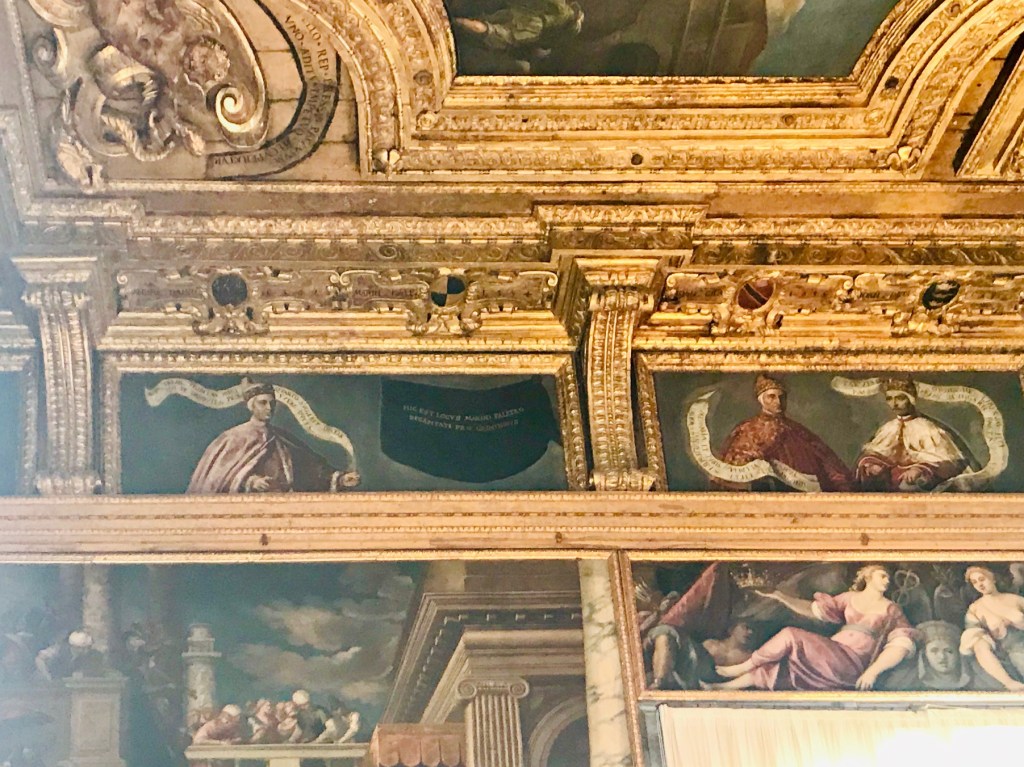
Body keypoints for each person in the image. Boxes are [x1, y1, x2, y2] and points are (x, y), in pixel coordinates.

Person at [708, 565, 917, 691]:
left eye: (888, 577)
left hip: (852, 663)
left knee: (790, 635)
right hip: (832, 655)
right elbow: (813, 610)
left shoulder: (891, 609)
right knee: (778, 667)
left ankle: (744, 666)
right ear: (868, 577)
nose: (887, 580)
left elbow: (900, 645)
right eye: (882, 575)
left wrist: (872, 672)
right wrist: (780, 596)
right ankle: (723, 688)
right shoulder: (849, 598)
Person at [188, 381, 359, 493]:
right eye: (262, 403)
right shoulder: (233, 438)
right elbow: (216, 480)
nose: (269, 408)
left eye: (272, 403)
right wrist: (250, 482)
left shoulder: (282, 439)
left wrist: (340, 479)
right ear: (251, 406)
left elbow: (310, 470)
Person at [713, 374, 854, 491]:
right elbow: (732, 473)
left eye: (782, 397)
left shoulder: (798, 430)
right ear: (761, 400)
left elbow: (828, 463)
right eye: (771, 397)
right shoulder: (747, 429)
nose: (778, 402)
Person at [855, 379, 971, 492]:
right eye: (889, 399)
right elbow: (873, 454)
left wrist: (919, 469)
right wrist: (871, 465)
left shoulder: (927, 428)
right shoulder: (888, 428)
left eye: (900, 398)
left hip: (914, 480)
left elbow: (947, 464)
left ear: (911, 399)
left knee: (908, 486)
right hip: (890, 477)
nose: (894, 404)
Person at [452, 0, 584, 75]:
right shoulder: (536, 25)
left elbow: (490, 32)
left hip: (469, 34)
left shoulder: (533, 29)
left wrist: (455, 21)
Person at [959, 565, 1024, 691]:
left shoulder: (1015, 600)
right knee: (979, 645)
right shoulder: (975, 608)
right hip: (1000, 650)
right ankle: (1009, 682)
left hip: (1020, 646)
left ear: (993, 578)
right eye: (975, 582)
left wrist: (1012, 622)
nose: (980, 585)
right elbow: (972, 632)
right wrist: (989, 634)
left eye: (982, 579)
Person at [879, 620, 970, 691]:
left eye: (949, 651)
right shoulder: (904, 682)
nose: (942, 657)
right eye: (934, 651)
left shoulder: (975, 681)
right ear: (924, 655)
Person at [34, 629, 104, 680]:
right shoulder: (58, 650)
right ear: (73, 647)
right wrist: (46, 675)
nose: (85, 651)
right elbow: (40, 659)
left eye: (87, 648)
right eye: (82, 648)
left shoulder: (89, 656)